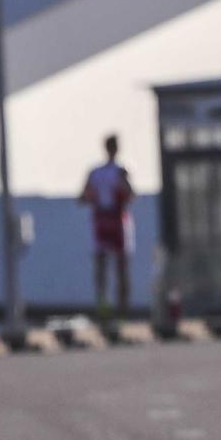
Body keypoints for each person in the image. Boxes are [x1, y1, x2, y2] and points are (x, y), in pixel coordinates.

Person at [78, 134, 135, 321]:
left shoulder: (96, 172)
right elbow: (131, 194)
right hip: (115, 219)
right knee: (119, 267)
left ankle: (107, 309)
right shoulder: (118, 171)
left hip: (103, 219)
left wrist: (94, 197)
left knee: (104, 268)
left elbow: (82, 197)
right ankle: (119, 310)